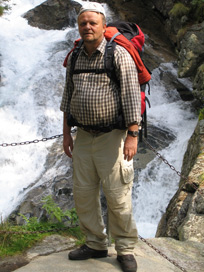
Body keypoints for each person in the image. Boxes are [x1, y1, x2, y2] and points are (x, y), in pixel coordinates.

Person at [60, 2, 141, 272]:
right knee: (83, 193)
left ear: (104, 26)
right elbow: (67, 97)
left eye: (93, 23)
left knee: (117, 195)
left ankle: (126, 249)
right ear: (79, 26)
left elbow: (130, 95)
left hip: (113, 137)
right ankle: (94, 242)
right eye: (83, 23)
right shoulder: (75, 57)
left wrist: (132, 135)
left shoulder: (118, 54)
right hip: (82, 135)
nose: (87, 27)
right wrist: (66, 135)